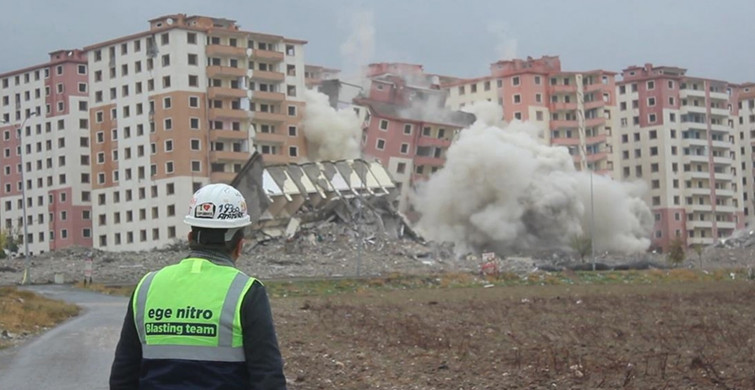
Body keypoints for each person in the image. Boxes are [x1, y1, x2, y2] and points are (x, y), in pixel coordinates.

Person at [110, 183, 287, 389]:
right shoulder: (247, 292)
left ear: (190, 238)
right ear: (240, 245)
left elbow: (123, 375)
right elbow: (268, 378)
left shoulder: (147, 286)